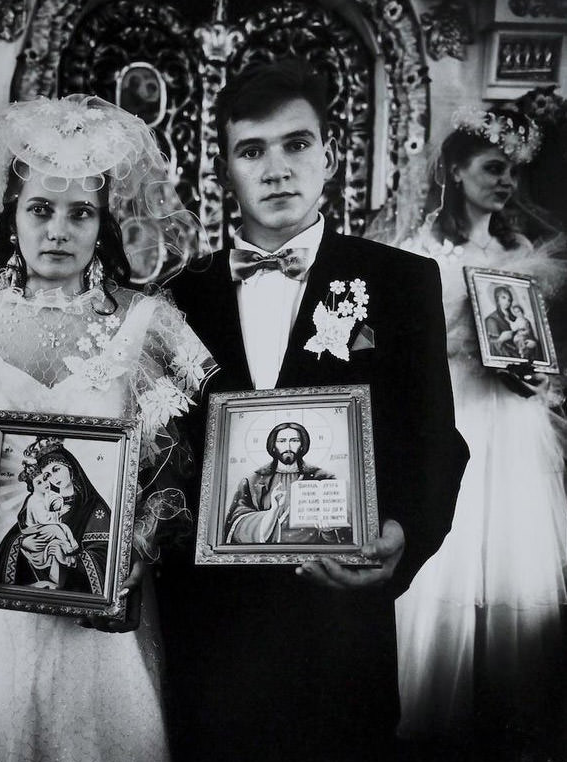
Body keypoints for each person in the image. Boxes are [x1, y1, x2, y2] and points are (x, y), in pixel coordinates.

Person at [0, 94, 215, 762]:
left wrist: (132, 554)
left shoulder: (148, 327)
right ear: (11, 220)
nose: (57, 229)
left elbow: (172, 469)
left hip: (99, 603)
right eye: (40, 209)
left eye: (79, 212)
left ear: (102, 225)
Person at [158, 58, 468, 762]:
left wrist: (402, 535)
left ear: (328, 157)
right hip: (210, 627)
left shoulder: (401, 282)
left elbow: (435, 442)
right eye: (251, 151)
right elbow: (160, 451)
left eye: (295, 144)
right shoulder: (177, 296)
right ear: (224, 174)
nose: (275, 169)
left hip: (338, 622)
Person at [388, 106, 567, 759]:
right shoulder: (418, 256)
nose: (505, 182)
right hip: (450, 408)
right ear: (455, 170)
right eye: (493, 168)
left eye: (513, 172)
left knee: (508, 561)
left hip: (508, 420)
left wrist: (529, 374)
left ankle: (497, 715)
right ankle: (427, 702)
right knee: (448, 553)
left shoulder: (515, 255)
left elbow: (527, 350)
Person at [0, 438, 108, 592]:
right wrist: (23, 544)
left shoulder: (93, 506)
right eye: (47, 475)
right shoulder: (44, 503)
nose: (54, 478)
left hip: (74, 590)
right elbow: (19, 535)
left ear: (70, 466)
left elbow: (103, 553)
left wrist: (70, 559)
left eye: (56, 469)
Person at [225, 421, 347, 544]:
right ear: (273, 445)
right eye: (281, 441)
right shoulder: (252, 481)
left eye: (294, 441)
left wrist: (328, 531)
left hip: (309, 552)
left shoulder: (322, 478)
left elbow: (341, 536)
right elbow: (236, 523)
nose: (288, 447)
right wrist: (273, 511)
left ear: (302, 445)